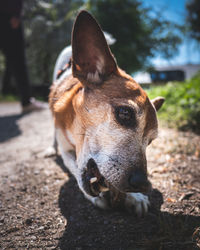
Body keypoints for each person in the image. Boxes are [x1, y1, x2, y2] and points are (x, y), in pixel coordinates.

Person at [0, 0, 47, 113]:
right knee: (18, 58)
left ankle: (26, 101)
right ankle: (26, 102)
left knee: (17, 58)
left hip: (7, 12)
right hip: (8, 14)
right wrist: (16, 13)